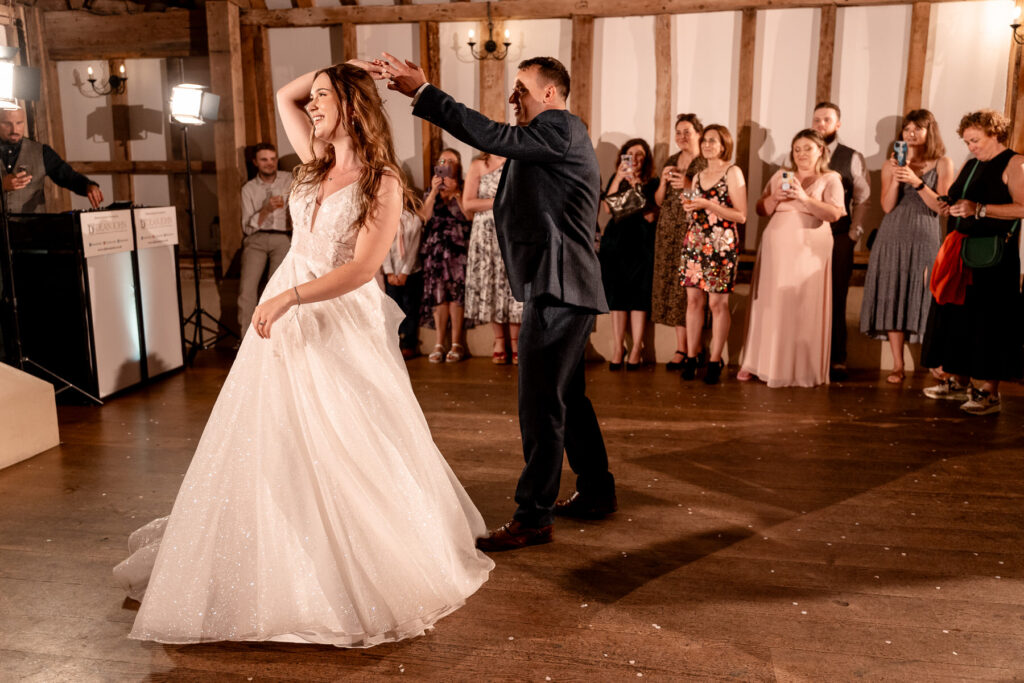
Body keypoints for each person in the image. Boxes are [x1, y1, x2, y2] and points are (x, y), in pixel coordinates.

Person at [112, 62, 493, 646]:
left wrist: (290, 296)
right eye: (312, 98)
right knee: (274, 430)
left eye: (324, 98)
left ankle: (358, 561)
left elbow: (363, 268)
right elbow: (282, 94)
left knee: (345, 434)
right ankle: (278, 546)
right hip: (286, 312)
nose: (311, 106)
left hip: (332, 312)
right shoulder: (312, 164)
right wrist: (339, 71)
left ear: (352, 106)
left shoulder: (382, 179)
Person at [376, 52, 616, 551]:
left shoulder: (559, 128)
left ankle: (534, 517)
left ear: (549, 94)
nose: (513, 98)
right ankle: (596, 490)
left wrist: (424, 93)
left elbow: (490, 136)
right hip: (559, 283)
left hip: (561, 285)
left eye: (522, 88)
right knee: (568, 396)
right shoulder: (550, 138)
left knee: (540, 403)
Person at [921, 109, 1024, 415]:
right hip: (962, 253)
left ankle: (988, 393)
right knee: (959, 316)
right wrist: (949, 206)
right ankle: (958, 379)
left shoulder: (1015, 162)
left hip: (993, 257)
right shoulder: (971, 163)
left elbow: (1022, 208)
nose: (971, 147)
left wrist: (979, 209)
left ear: (995, 133)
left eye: (976, 140)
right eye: (967, 141)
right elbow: (957, 200)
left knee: (988, 321)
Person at [738, 129, 846, 388]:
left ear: (821, 150)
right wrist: (775, 197)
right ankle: (759, 362)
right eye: (797, 149)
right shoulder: (780, 175)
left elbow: (834, 214)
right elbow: (760, 209)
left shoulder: (831, 178)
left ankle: (798, 367)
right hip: (777, 245)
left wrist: (804, 198)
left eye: (807, 148)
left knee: (801, 303)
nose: (801, 154)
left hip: (809, 248)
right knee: (771, 301)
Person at [859, 110, 953, 383]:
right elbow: (887, 206)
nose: (911, 134)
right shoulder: (892, 164)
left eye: (918, 129)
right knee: (893, 292)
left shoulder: (943, 163)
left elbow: (941, 207)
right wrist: (899, 173)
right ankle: (898, 364)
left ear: (929, 132)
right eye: (907, 129)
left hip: (925, 233)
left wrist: (918, 182)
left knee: (926, 295)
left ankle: (933, 361)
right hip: (893, 234)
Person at [679, 124, 747, 385]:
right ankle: (692, 355)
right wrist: (690, 207)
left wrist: (708, 204)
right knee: (694, 302)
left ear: (723, 145)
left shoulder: (732, 172)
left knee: (717, 305)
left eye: (712, 141)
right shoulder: (697, 175)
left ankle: (715, 358)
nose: (707, 144)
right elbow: (695, 210)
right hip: (695, 241)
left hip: (721, 244)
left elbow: (740, 215)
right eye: (704, 140)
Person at [811, 102, 870, 381]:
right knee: (806, 295)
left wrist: (853, 234)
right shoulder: (803, 152)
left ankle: (836, 358)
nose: (821, 124)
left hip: (839, 237)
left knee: (836, 296)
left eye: (827, 120)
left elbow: (862, 199)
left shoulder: (851, 157)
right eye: (817, 120)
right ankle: (807, 355)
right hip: (807, 238)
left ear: (838, 124)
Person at [599, 138, 659, 370]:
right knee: (617, 298)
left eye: (640, 155)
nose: (635, 158)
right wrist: (619, 177)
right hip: (616, 242)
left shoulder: (652, 182)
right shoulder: (617, 178)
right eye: (631, 153)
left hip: (641, 243)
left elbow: (646, 209)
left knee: (638, 297)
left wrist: (635, 184)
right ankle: (617, 347)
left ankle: (636, 348)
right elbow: (607, 208)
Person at [652, 114, 703, 371]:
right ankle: (682, 346)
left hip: (692, 230)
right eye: (678, 132)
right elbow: (659, 201)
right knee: (672, 289)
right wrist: (663, 181)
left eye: (687, 132)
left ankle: (693, 348)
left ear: (699, 133)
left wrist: (686, 184)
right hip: (668, 230)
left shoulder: (705, 162)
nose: (682, 137)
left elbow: (706, 198)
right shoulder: (672, 160)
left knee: (690, 292)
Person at [463, 152, 522, 364]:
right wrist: (501, 201)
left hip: (513, 231)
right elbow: (468, 203)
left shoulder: (518, 161)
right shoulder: (478, 164)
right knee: (491, 285)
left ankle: (516, 342)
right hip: (485, 232)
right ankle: (498, 340)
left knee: (511, 286)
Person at [418, 149, 472, 363]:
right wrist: (433, 191)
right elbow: (423, 217)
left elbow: (469, 215)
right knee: (438, 296)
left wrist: (457, 192)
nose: (447, 163)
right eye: (443, 160)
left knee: (457, 296)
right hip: (436, 251)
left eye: (451, 161)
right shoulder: (429, 191)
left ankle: (457, 343)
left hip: (458, 250)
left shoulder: (465, 187)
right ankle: (439, 343)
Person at [237, 143, 291, 342]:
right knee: (247, 291)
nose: (270, 164)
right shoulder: (249, 189)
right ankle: (246, 343)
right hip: (256, 239)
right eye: (264, 160)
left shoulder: (289, 180)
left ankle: (275, 340)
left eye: (272, 159)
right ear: (255, 163)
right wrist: (266, 210)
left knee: (276, 288)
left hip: (283, 237)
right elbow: (247, 227)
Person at [0, 107, 102, 212]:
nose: (14, 130)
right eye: (7, 124)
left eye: (19, 123)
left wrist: (88, 186)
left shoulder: (41, 151)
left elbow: (67, 175)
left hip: (32, 226)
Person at [383, 200, 424, 359]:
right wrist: (389, 272)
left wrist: (405, 272)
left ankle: (409, 343)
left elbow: (414, 249)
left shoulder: (413, 220)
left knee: (410, 308)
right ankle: (396, 342)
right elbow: (383, 247)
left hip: (411, 271)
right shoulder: (385, 219)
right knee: (394, 307)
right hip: (392, 272)